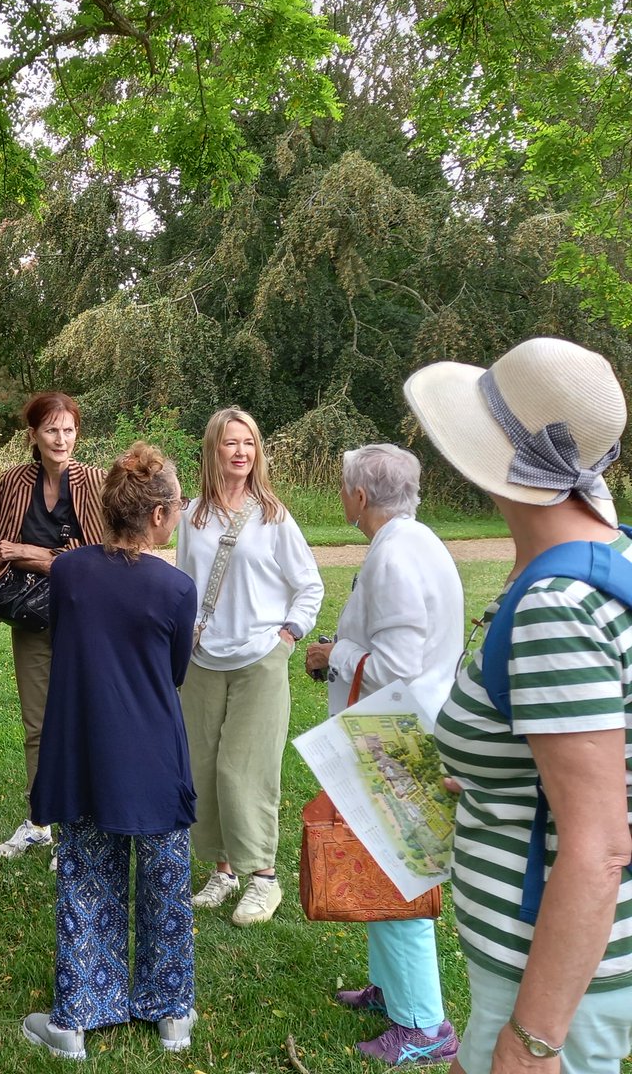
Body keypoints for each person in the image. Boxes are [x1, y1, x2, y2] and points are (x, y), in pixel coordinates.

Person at [404, 336, 632, 1074]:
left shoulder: (556, 608)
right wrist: (499, 778)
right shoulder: (612, 557)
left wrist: (532, 1042)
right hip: (574, 971)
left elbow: (598, 848)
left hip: (549, 982)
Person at [21, 442, 199, 1060]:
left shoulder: (70, 570)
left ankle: (76, 1016)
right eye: (174, 506)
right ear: (157, 517)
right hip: (151, 752)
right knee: (163, 883)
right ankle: (171, 1011)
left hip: (84, 750)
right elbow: (174, 671)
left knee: (87, 880)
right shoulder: (176, 589)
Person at [303, 444, 463, 1066]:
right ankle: (393, 990)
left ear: (361, 498)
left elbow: (396, 665)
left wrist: (330, 658)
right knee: (383, 868)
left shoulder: (394, 555)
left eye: (343, 489)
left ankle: (423, 1024)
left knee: (399, 880)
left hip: (396, 735)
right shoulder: (416, 540)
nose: (342, 498)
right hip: (404, 727)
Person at [177, 406, 323, 925]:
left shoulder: (273, 517)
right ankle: (223, 870)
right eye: (231, 443)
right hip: (201, 661)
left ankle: (263, 876)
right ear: (213, 449)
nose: (241, 452)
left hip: (260, 658)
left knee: (243, 770)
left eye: (250, 444)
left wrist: (287, 635)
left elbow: (310, 585)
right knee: (202, 768)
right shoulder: (191, 516)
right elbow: (185, 585)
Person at [0, 392, 105, 860]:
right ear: (33, 435)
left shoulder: (93, 482)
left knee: (82, 720)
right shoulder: (12, 482)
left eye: (68, 429)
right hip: (31, 616)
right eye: (51, 429)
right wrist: (15, 557)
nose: (61, 439)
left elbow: (99, 558)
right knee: (38, 724)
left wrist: (33, 555)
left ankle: (78, 828)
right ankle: (39, 820)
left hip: (86, 618)